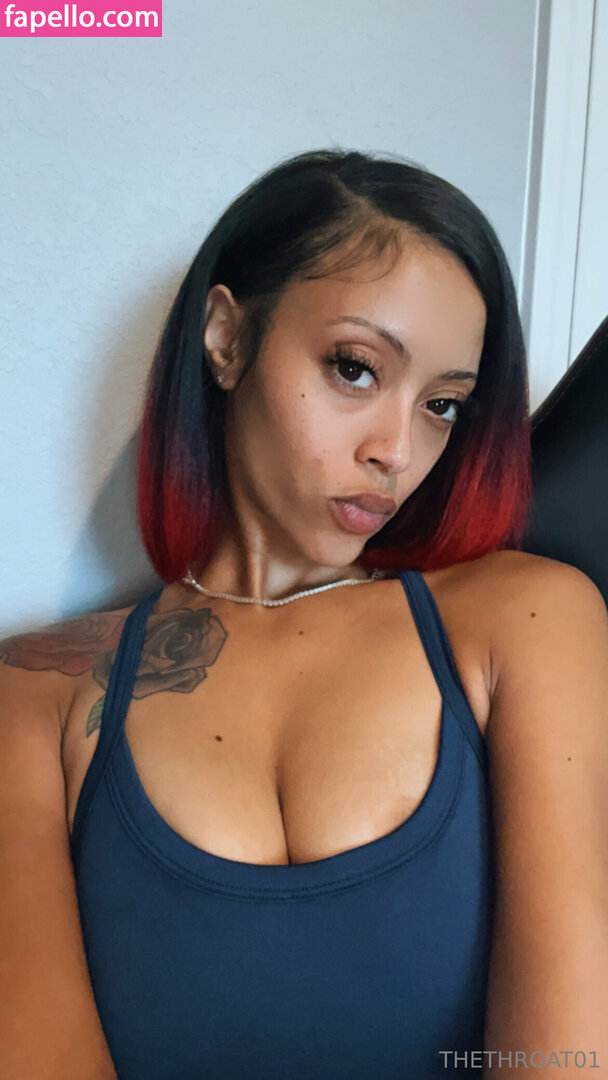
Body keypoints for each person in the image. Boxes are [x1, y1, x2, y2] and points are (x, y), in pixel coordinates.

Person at [1, 149, 606, 1080]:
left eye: (443, 405)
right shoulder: (35, 693)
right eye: (356, 369)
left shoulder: (527, 620)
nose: (398, 450)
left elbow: (562, 1058)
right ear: (226, 338)